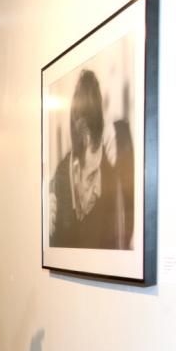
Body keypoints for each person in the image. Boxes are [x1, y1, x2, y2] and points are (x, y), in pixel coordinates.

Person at [49, 68, 134, 249]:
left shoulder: (108, 165)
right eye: (91, 176)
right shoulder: (58, 187)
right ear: (76, 169)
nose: (98, 190)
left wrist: (120, 131)